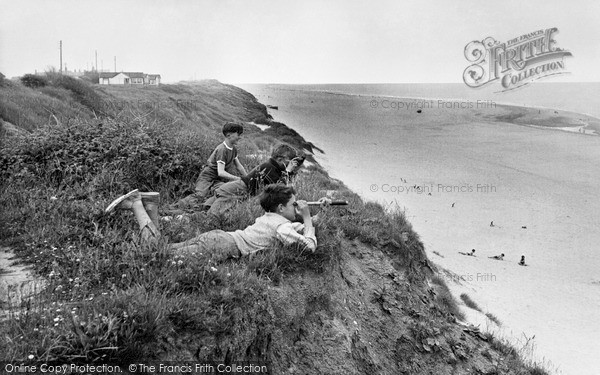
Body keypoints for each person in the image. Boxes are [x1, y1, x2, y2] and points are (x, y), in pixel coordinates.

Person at [105, 185, 329, 262]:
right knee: (155, 255)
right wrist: (308, 217)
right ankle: (136, 204)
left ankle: (151, 205)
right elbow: (308, 246)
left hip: (219, 237)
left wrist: (320, 211)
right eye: (293, 205)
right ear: (281, 208)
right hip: (222, 245)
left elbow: (306, 227)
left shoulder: (273, 218)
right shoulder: (282, 227)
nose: (297, 210)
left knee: (162, 251)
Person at [206, 143, 302, 216]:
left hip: (237, 191)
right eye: (290, 161)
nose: (291, 164)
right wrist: (288, 171)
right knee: (213, 215)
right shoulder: (269, 167)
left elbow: (285, 184)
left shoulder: (274, 167)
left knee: (213, 212)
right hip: (233, 190)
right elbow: (280, 189)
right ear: (280, 159)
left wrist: (292, 171)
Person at [175, 122, 247, 211]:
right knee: (199, 195)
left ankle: (206, 208)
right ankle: (176, 207)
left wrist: (248, 179)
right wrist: (237, 179)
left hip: (217, 180)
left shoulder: (234, 149)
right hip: (207, 177)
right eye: (238, 134)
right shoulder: (222, 149)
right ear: (229, 135)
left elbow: (239, 167)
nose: (240, 137)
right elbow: (221, 172)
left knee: (223, 191)